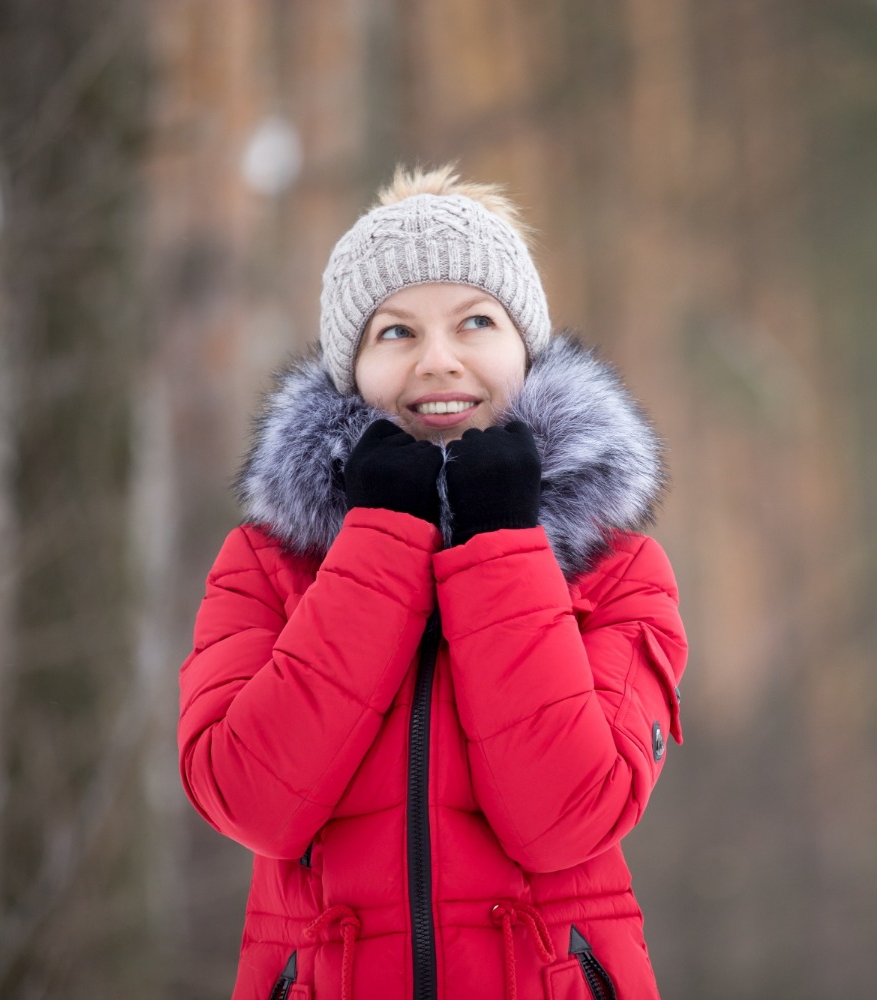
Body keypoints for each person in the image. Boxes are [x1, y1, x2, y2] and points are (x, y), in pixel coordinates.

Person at [178, 164, 689, 1000]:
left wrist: (500, 541)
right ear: (353, 367)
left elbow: (567, 816)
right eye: (396, 332)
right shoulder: (264, 567)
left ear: (525, 347)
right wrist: (380, 541)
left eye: (475, 322)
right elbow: (250, 801)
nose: (439, 362)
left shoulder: (619, 573)